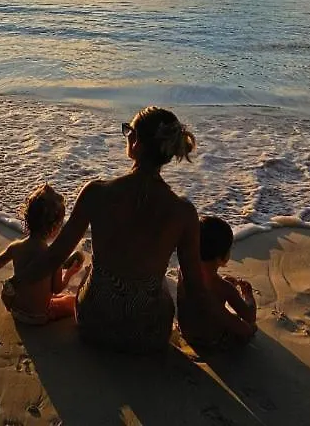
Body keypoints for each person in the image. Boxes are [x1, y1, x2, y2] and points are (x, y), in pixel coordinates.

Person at [11, 106, 216, 354]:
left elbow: (55, 255)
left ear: (136, 142)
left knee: (94, 272)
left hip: (94, 325)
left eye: (128, 131)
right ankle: (190, 333)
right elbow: (194, 287)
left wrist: (18, 282)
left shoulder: (96, 192)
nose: (127, 135)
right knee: (174, 280)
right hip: (149, 334)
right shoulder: (183, 212)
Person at [0, 184, 86, 325]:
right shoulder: (52, 255)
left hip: (15, 309)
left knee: (20, 288)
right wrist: (70, 272)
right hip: (38, 316)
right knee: (70, 301)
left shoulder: (16, 247)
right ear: (55, 227)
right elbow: (56, 288)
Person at [176, 215, 257, 350]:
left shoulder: (182, 270)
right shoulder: (223, 288)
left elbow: (199, 296)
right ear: (222, 257)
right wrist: (248, 296)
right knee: (251, 328)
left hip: (186, 333)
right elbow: (249, 316)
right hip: (211, 341)